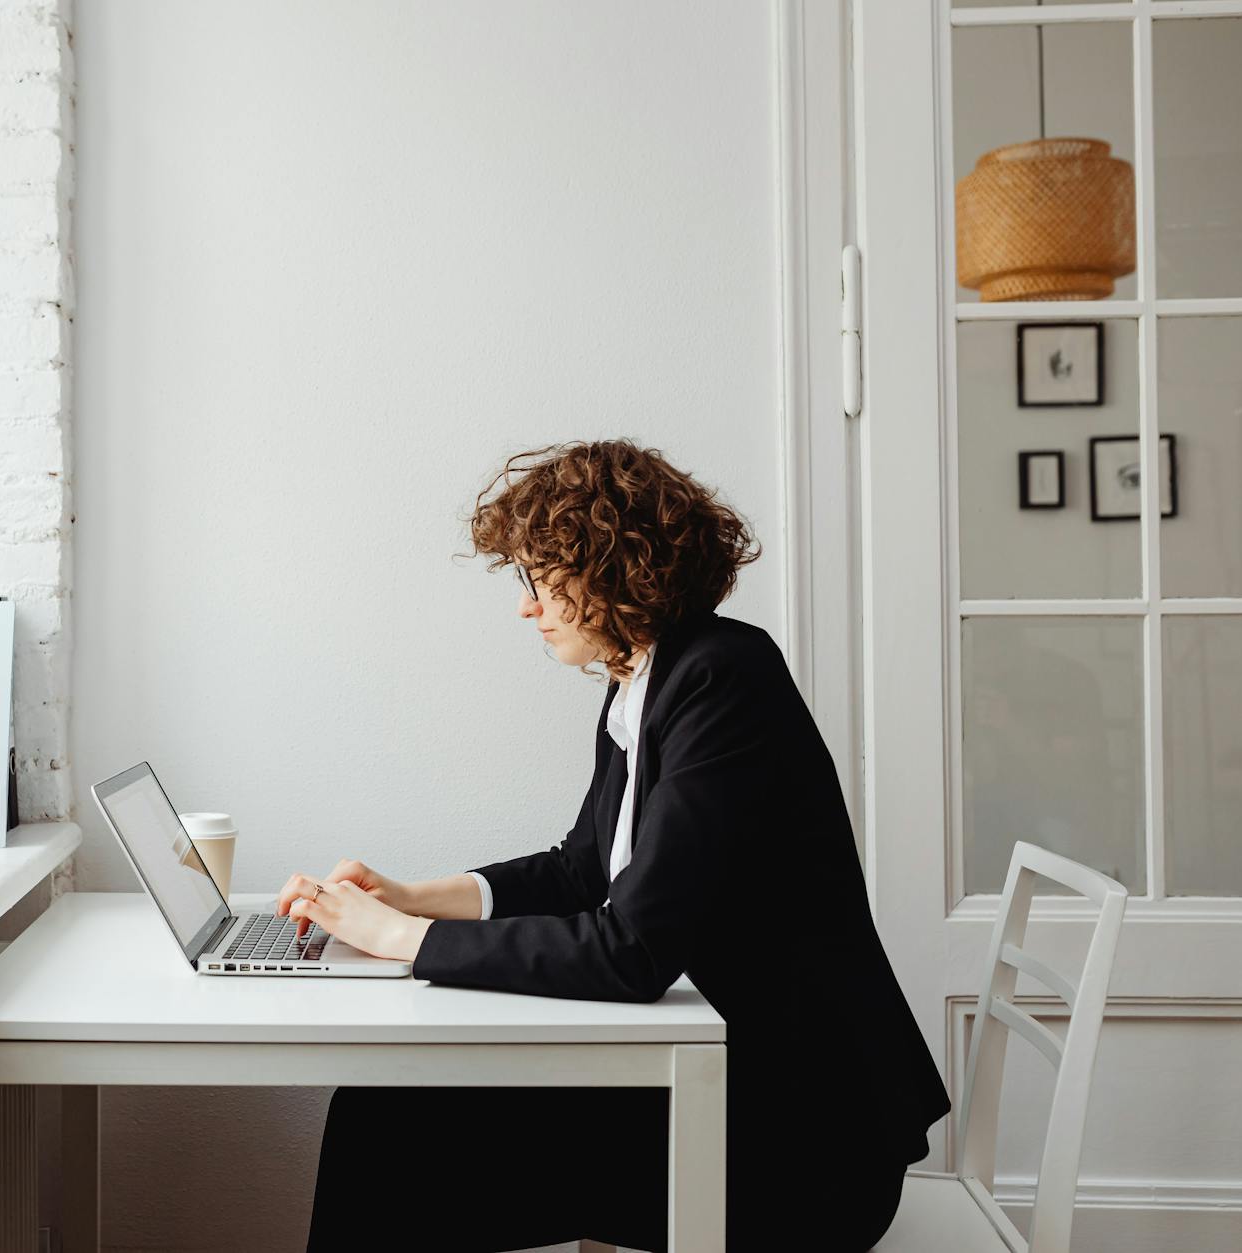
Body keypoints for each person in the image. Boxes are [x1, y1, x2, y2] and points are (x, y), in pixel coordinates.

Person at [278, 439, 951, 1252]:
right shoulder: (642, 681)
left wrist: (406, 941)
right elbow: (581, 869)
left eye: (538, 577)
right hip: (732, 1089)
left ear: (610, 566)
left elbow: (632, 951)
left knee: (390, 1129)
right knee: (383, 1111)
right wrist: (412, 896)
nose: (527, 606)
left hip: (799, 1145)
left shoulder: (722, 679)